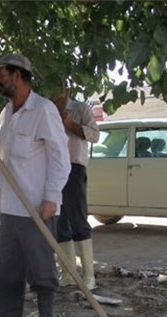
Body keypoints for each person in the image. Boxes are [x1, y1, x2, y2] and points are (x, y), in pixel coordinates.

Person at [0, 53, 70, 317]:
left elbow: (61, 159)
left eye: (0, 73)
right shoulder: (6, 114)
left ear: (18, 75)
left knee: (41, 265)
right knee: (6, 265)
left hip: (38, 206)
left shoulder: (43, 110)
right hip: (11, 207)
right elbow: (5, 149)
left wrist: (51, 197)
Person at [51, 83, 100, 290]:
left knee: (78, 219)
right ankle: (68, 274)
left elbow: (94, 135)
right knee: (60, 222)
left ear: (66, 91)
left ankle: (89, 276)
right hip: (53, 170)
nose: (54, 97)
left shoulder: (81, 109)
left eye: (58, 92)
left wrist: (68, 122)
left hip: (74, 168)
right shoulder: (47, 111)